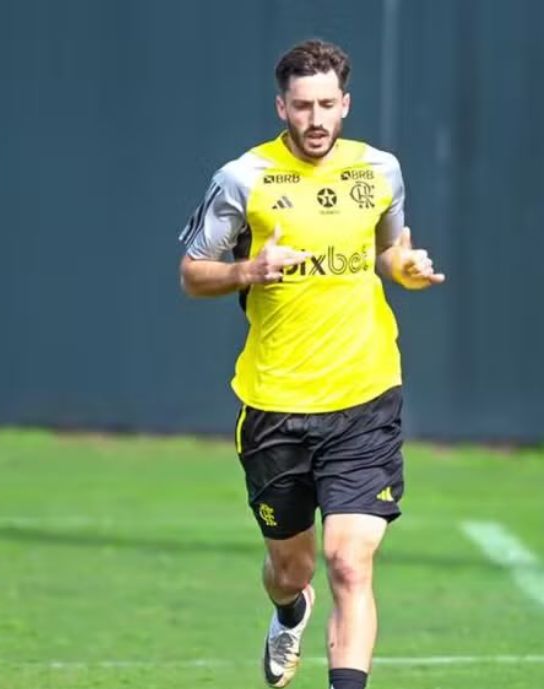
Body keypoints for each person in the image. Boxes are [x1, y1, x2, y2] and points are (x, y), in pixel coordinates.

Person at [177, 38, 444, 689]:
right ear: (282, 106)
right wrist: (249, 268)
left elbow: (390, 250)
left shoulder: (379, 170)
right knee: (293, 568)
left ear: (345, 102)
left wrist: (403, 268)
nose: (317, 119)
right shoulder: (244, 178)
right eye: (303, 106)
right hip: (276, 406)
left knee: (349, 561)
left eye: (328, 104)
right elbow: (191, 273)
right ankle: (289, 610)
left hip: (365, 393)